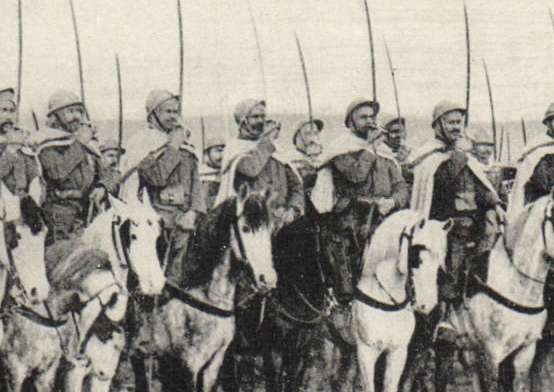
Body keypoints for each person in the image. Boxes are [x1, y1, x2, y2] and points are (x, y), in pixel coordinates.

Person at [409, 101, 500, 304]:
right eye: (451, 122)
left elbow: (478, 187)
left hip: (471, 221)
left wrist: (494, 203)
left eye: (459, 122)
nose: (456, 127)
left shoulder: (462, 155)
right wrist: (459, 157)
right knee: (450, 265)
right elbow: (442, 182)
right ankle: (446, 305)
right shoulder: (431, 155)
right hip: (442, 222)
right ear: (438, 125)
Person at [121, 89, 205, 265]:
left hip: (184, 221)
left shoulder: (184, 145)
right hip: (154, 220)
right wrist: (173, 146)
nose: (173, 117)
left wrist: (193, 212)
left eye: (176, 112)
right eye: (168, 112)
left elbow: (195, 183)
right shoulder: (142, 142)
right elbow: (155, 177)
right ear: (153, 114)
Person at [311, 99, 408, 224]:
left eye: (372, 117)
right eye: (363, 117)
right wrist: (370, 148)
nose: (369, 121)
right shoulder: (341, 147)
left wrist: (393, 202)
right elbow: (356, 175)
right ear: (351, 122)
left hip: (385, 214)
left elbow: (400, 184)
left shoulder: (383, 150)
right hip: (352, 216)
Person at [213, 99, 305, 227]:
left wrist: (293, 209)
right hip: (254, 223)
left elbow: (296, 184)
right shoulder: (235, 148)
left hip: (284, 221)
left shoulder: (275, 149)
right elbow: (251, 169)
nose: (261, 121)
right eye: (255, 117)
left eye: (263, 116)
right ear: (243, 121)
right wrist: (267, 142)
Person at [34, 89, 109, 243]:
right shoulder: (47, 143)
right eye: (70, 112)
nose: (76, 116)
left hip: (88, 210)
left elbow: (108, 172)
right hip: (60, 212)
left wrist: (102, 186)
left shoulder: (86, 144)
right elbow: (57, 172)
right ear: (55, 116)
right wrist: (80, 143)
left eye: (79, 111)